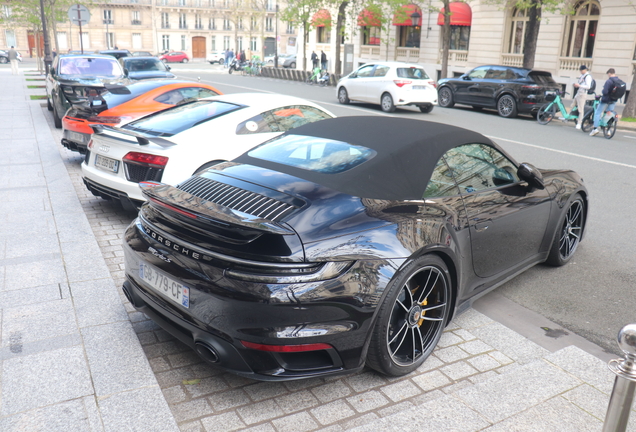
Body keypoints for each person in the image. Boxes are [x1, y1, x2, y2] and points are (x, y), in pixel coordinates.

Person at [590, 68, 621, 136]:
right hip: (614, 100)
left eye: (608, 74)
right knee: (609, 114)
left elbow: (605, 92)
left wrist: (603, 90)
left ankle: (595, 129)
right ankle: (608, 130)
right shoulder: (619, 81)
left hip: (606, 100)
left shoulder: (609, 81)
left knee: (598, 112)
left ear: (609, 73)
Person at [571, 65, 593, 130]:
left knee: (580, 109)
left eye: (581, 70)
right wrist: (576, 85)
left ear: (585, 70)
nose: (580, 71)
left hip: (583, 93)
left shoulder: (588, 77)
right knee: (572, 105)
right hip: (578, 92)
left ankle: (579, 123)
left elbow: (588, 86)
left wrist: (580, 85)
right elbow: (580, 83)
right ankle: (568, 117)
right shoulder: (581, 76)